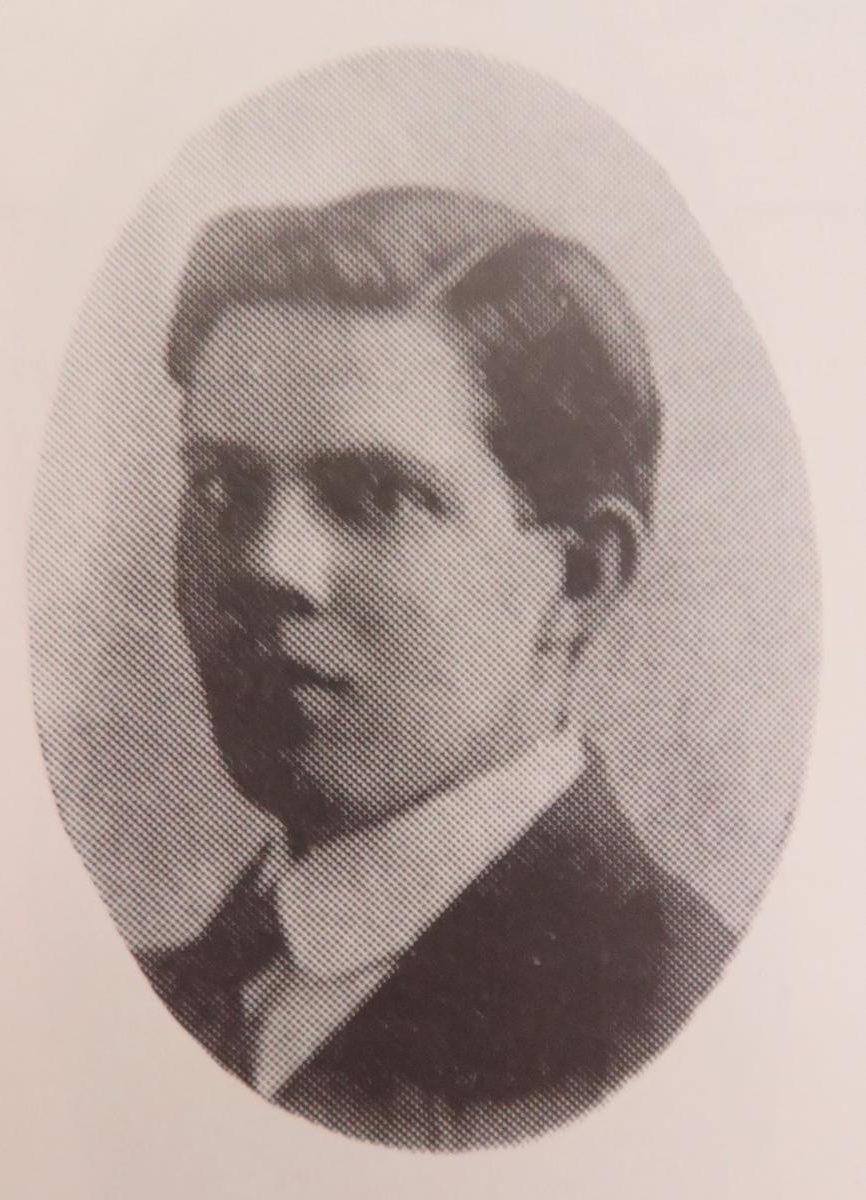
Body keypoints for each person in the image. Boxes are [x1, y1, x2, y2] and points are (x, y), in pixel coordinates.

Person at [139, 186, 737, 1149]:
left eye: (375, 493)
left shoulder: (673, 1037)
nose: (263, 565)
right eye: (220, 486)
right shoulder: (138, 999)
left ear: (580, 576)